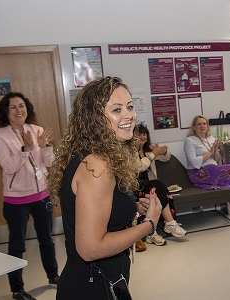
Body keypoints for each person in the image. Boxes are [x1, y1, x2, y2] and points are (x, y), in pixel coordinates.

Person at [48, 76, 162, 299]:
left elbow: (99, 212)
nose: (128, 115)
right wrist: (149, 224)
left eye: (129, 107)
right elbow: (90, 248)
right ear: (94, 119)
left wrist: (132, 208)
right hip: (93, 286)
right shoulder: (96, 165)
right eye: (116, 110)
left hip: (103, 280)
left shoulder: (96, 157)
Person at [0, 92, 59, 300]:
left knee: (46, 239)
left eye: (22, 106)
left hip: (41, 195)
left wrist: (45, 146)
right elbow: (9, 167)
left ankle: (53, 276)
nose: (19, 110)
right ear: (6, 111)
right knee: (17, 245)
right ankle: (17, 289)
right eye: (13, 107)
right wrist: (26, 149)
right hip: (16, 200)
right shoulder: (0, 136)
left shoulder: (37, 130)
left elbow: (49, 163)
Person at [134, 123, 186, 248]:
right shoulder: (131, 152)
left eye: (145, 134)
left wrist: (162, 150)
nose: (142, 137)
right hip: (136, 187)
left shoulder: (148, 151)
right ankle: (169, 224)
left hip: (150, 186)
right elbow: (139, 167)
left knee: (156, 186)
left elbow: (166, 157)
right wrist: (153, 154)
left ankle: (154, 232)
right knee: (156, 186)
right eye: (139, 134)